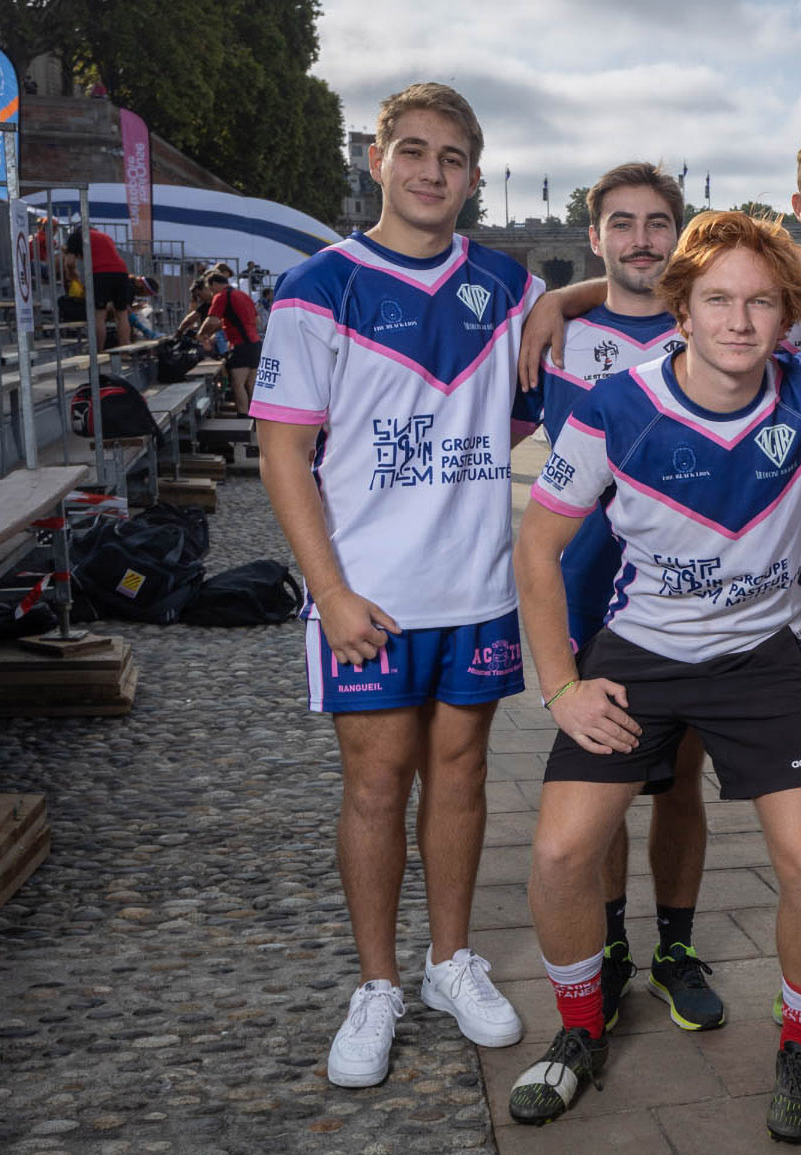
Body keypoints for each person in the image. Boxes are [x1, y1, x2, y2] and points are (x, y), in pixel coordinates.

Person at [507, 210, 801, 1144]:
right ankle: (577, 1033)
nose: (738, 320)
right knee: (562, 856)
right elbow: (538, 543)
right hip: (640, 651)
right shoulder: (617, 408)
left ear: (788, 315)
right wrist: (561, 686)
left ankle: (799, 1045)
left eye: (761, 302)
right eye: (718, 299)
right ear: (680, 308)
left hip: (765, 657)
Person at [250, 81, 537, 1090]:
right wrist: (326, 590)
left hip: (476, 587)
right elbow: (283, 453)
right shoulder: (318, 287)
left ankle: (449, 962)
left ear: (473, 175)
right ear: (376, 157)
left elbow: (576, 349)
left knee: (459, 776)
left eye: (453, 158)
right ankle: (375, 984)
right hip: (365, 593)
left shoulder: (507, 285)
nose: (431, 172)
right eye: (412, 151)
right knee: (376, 783)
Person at [515, 161, 723, 1033]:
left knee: (678, 786)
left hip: (685, 602)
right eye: (623, 223)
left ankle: (674, 948)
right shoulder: (557, 331)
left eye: (658, 223)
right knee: (596, 788)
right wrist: (553, 302)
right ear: (593, 236)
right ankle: (608, 946)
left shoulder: (710, 328)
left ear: (679, 236)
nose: (642, 239)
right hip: (587, 591)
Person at [196, 271, 263, 414]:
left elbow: (212, 320)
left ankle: (244, 418)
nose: (211, 293)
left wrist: (201, 334)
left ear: (214, 284)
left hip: (241, 345)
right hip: (255, 344)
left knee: (238, 384)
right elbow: (257, 321)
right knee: (251, 385)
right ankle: (257, 420)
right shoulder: (243, 295)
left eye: (210, 288)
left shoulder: (222, 296)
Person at [63, 227, 133, 349]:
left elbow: (69, 262)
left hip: (101, 274)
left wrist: (72, 274)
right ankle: (125, 351)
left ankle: (98, 351)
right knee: (122, 314)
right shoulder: (105, 237)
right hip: (121, 272)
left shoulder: (77, 236)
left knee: (99, 314)